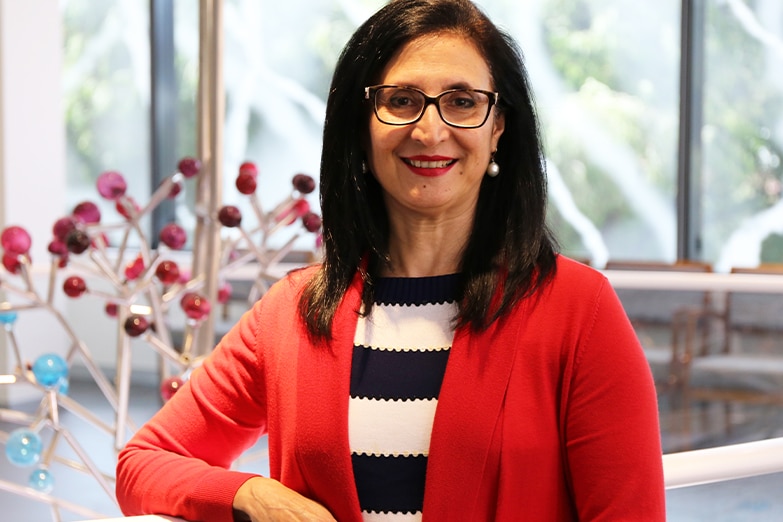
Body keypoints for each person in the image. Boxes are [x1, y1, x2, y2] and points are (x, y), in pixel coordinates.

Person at [115, 0, 666, 520]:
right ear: (362, 126)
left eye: (463, 101)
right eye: (401, 100)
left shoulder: (579, 312)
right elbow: (141, 464)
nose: (430, 130)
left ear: (499, 129)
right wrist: (249, 493)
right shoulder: (290, 313)